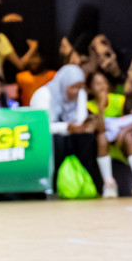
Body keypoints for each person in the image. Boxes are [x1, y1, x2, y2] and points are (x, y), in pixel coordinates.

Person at [34, 64, 101, 192]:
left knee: (87, 138)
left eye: (80, 86)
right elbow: (41, 127)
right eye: (73, 87)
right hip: (47, 139)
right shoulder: (44, 94)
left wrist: (84, 126)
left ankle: (87, 181)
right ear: (64, 84)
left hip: (71, 135)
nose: (77, 91)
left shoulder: (81, 92)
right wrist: (67, 128)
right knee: (58, 141)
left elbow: (80, 120)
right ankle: (52, 185)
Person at [86, 68, 132, 197]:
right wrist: (101, 107)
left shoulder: (119, 100)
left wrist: (124, 131)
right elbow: (100, 129)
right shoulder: (89, 107)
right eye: (98, 84)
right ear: (90, 89)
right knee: (101, 138)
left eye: (104, 83)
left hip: (124, 139)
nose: (102, 87)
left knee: (129, 137)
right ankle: (109, 183)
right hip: (105, 143)